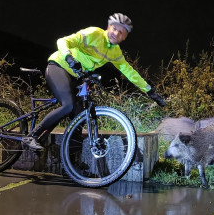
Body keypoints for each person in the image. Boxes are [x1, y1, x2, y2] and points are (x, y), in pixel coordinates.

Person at [21, 13, 166, 150]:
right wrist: (69, 57)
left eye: (121, 32)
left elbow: (130, 72)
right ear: (109, 27)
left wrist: (150, 91)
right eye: (115, 28)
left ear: (125, 37)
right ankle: (31, 136)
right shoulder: (94, 33)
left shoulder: (115, 52)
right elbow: (63, 41)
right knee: (68, 105)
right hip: (60, 65)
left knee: (79, 116)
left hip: (76, 76)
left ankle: (70, 163)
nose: (116, 33)